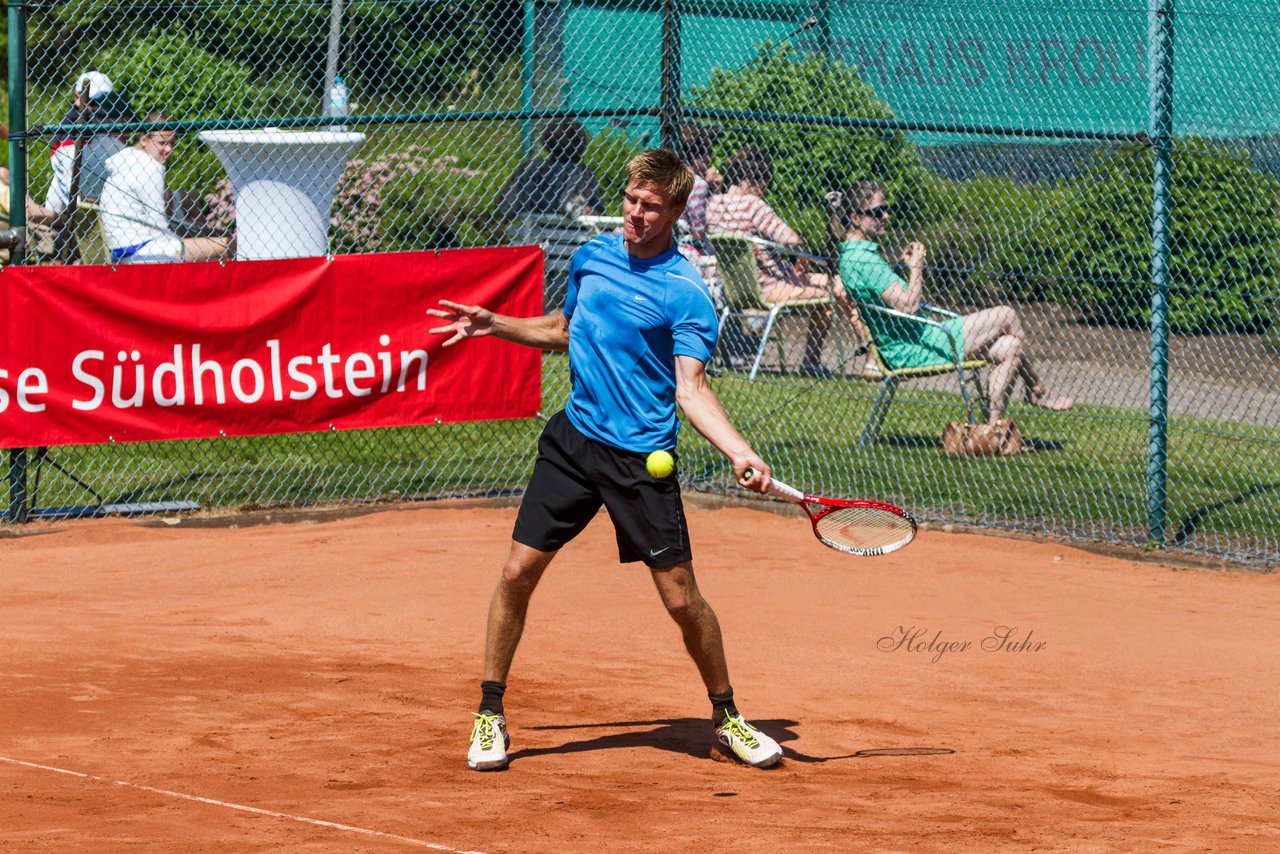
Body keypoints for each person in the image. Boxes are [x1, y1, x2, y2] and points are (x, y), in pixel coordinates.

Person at [429, 148, 785, 772]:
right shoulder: (592, 258)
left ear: (676, 210)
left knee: (681, 601)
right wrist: (497, 324)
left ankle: (728, 718)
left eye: (651, 206)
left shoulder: (686, 293)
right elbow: (567, 330)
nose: (635, 215)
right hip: (574, 441)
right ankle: (490, 713)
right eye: (630, 200)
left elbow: (692, 388)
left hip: (641, 460)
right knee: (516, 574)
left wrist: (739, 450)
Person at [833, 180, 1073, 422]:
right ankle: (1037, 390)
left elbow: (900, 303)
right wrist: (917, 267)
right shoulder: (863, 260)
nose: (885, 216)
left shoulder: (853, 258)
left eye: (886, 209)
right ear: (855, 218)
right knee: (1007, 314)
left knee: (1011, 347)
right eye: (877, 212)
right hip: (917, 347)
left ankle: (992, 430)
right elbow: (909, 305)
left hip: (918, 339)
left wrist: (908, 270)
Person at [706, 146, 852, 375]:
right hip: (770, 286)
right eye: (765, 182)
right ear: (753, 180)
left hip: (736, 287)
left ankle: (829, 356)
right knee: (836, 287)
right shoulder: (753, 205)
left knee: (832, 283)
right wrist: (801, 251)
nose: (765, 189)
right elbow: (791, 239)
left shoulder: (713, 205)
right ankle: (816, 360)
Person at [99, 113, 233, 264]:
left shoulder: (127, 160)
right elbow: (159, 223)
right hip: (142, 251)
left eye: (172, 143)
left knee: (201, 242)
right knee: (228, 243)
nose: (169, 149)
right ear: (144, 140)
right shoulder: (150, 166)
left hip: (121, 250)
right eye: (163, 143)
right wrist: (184, 245)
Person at [494, 119, 604, 222]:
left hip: (532, 233)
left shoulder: (532, 167)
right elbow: (599, 212)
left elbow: (503, 206)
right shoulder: (581, 172)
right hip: (570, 235)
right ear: (581, 145)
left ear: (547, 142)